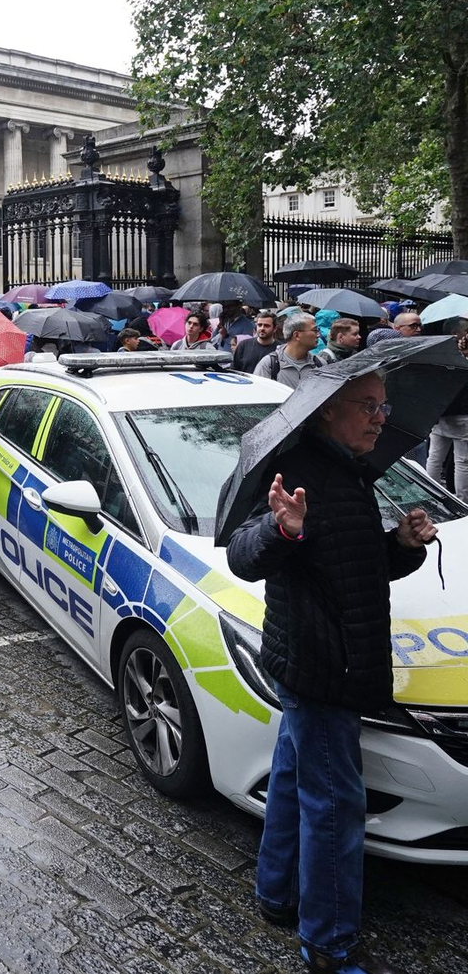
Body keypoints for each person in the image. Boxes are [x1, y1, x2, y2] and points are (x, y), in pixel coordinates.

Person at [226, 372, 434, 974]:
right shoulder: (299, 473)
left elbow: (353, 570)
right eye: (367, 406)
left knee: (295, 781)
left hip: (326, 660)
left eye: (383, 405)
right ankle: (329, 943)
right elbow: (243, 557)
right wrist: (281, 527)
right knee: (336, 805)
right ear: (325, 412)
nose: (379, 417)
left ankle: (276, 892)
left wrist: (402, 543)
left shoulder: (350, 472)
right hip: (323, 668)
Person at [426, 328, 468, 498]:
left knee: (435, 458)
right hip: (463, 416)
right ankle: (463, 500)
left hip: (440, 414)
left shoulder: (443, 361)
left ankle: (430, 493)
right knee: (463, 462)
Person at [254, 312, 323, 388]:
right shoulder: (269, 365)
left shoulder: (320, 364)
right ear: (296, 335)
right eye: (314, 330)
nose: (318, 335)